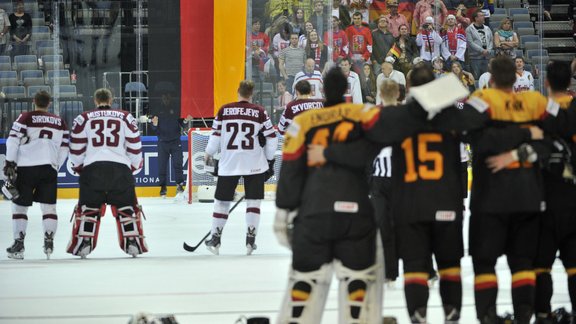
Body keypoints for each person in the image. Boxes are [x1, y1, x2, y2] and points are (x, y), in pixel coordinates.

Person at [309, 65, 487, 323]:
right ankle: (452, 313)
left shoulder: (398, 117)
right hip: (446, 201)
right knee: (449, 265)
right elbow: (481, 114)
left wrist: (327, 153)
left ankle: (417, 313)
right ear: (434, 87)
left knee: (414, 265)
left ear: (410, 90)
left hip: (410, 205)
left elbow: (363, 148)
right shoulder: (452, 117)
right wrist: (446, 95)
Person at [274, 66, 383, 324]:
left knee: (305, 278)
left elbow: (290, 170)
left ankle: (299, 314)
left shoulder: (303, 122)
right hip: (355, 209)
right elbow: (378, 144)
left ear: (322, 89)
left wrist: (284, 209)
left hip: (315, 211)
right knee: (359, 278)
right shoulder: (363, 114)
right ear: (347, 89)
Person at [465, 56, 556, 323]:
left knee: (484, 263)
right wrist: (526, 137)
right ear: (517, 77)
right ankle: (524, 315)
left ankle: (488, 317)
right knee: (524, 263)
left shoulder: (482, 100)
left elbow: (477, 138)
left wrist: (511, 152)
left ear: (490, 76)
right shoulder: (535, 102)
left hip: (489, 200)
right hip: (527, 196)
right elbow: (553, 138)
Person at [67, 88, 147, 258]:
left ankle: (84, 244)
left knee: (89, 210)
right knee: (126, 208)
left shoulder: (83, 118)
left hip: (92, 169)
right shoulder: (126, 117)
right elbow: (134, 146)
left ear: (95, 101)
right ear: (111, 100)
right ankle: (132, 242)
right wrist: (132, 167)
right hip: (120, 170)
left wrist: (79, 167)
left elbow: (75, 148)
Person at [204, 80, 277, 256]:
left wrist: (208, 153)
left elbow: (215, 136)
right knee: (253, 202)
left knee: (222, 202)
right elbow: (272, 138)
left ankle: (215, 240)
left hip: (229, 163)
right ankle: (250, 241)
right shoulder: (259, 111)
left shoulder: (224, 110)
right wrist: (268, 159)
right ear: (251, 94)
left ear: (238, 91)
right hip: (254, 164)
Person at [533, 60, 576, 324]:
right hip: (573, 200)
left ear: (546, 82)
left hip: (545, 200)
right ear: (570, 83)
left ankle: (542, 314)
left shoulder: (539, 113)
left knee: (541, 267)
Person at [3, 90, 69, 260]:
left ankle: (18, 244)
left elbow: (12, 140)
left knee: (19, 207)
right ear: (49, 103)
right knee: (48, 207)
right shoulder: (59, 121)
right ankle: (49, 242)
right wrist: (56, 166)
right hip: (48, 168)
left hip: (26, 167)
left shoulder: (25, 117)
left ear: (34, 101)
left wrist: (10, 162)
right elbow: (64, 148)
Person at [150, 82, 188, 198]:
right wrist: (155, 125)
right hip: (162, 142)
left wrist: (186, 121)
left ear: (170, 97)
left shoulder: (177, 109)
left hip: (175, 141)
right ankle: (162, 187)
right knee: (162, 165)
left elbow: (183, 124)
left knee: (178, 164)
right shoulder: (156, 109)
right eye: (164, 96)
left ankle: (180, 185)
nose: (166, 98)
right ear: (162, 97)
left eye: (168, 96)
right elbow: (153, 127)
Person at [466, 10, 493, 79]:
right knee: (476, 78)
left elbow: (491, 41)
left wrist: (488, 50)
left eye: (483, 15)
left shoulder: (487, 28)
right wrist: (482, 50)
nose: (484, 17)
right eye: (481, 16)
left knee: (487, 78)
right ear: (476, 18)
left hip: (486, 57)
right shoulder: (469, 29)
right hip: (475, 58)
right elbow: (470, 42)